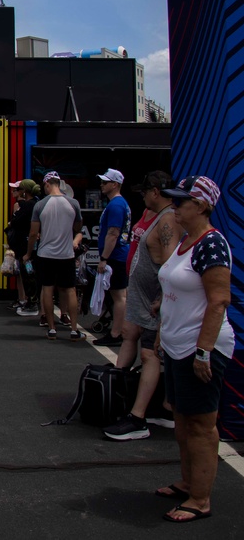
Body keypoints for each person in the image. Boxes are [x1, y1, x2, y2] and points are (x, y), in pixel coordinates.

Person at [150, 175, 233, 522]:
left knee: (200, 425)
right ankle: (189, 482)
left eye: (180, 203)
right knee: (183, 421)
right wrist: (161, 334)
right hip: (176, 345)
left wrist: (203, 352)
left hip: (200, 349)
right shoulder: (187, 242)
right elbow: (174, 294)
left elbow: (218, 301)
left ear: (200, 206)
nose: (174, 208)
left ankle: (200, 499)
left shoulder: (211, 245)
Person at [104, 171, 180, 440]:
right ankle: (151, 405)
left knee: (150, 355)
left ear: (156, 192)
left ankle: (138, 419)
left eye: (145, 192)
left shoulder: (168, 218)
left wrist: (162, 298)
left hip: (154, 302)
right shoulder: (155, 216)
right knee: (133, 339)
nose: (143, 196)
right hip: (143, 297)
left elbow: (171, 265)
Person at [24, 172, 83, 342]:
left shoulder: (40, 205)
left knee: (47, 289)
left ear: (48, 184)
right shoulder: (73, 203)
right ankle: (73, 330)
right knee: (70, 290)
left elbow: (33, 233)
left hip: (46, 254)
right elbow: (78, 227)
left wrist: (28, 253)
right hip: (66, 254)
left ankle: (51, 328)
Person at [93, 168, 131, 347]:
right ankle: (118, 330)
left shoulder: (116, 205)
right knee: (119, 295)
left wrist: (104, 258)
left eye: (105, 182)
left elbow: (113, 233)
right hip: (118, 254)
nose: (101, 185)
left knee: (118, 296)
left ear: (115, 184)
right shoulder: (118, 204)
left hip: (115, 256)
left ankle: (116, 333)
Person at [7, 179, 41, 316]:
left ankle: (32, 302)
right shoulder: (35, 204)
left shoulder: (28, 206)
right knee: (26, 273)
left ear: (25, 191)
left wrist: (27, 252)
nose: (17, 192)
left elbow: (16, 222)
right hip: (25, 245)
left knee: (28, 273)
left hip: (27, 247)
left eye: (19, 189)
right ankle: (29, 301)